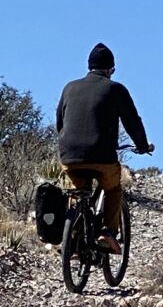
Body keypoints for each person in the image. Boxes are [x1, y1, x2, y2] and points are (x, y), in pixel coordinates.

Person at [55, 44, 152, 247]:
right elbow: (132, 122)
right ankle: (108, 232)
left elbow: (60, 122)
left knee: (77, 190)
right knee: (113, 189)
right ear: (110, 69)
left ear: (89, 66)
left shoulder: (69, 87)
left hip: (69, 156)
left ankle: (73, 242)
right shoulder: (115, 89)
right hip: (102, 157)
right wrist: (142, 146)